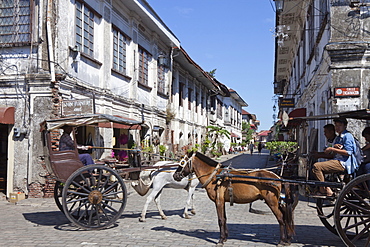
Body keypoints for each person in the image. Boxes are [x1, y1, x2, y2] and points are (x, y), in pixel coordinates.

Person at [312, 118, 358, 196]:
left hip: (344, 163)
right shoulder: (338, 137)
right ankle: (327, 187)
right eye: (336, 125)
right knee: (316, 170)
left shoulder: (347, 136)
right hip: (337, 160)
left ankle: (324, 190)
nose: (337, 127)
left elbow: (348, 152)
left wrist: (332, 148)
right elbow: (333, 154)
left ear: (345, 126)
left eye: (340, 125)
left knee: (317, 167)